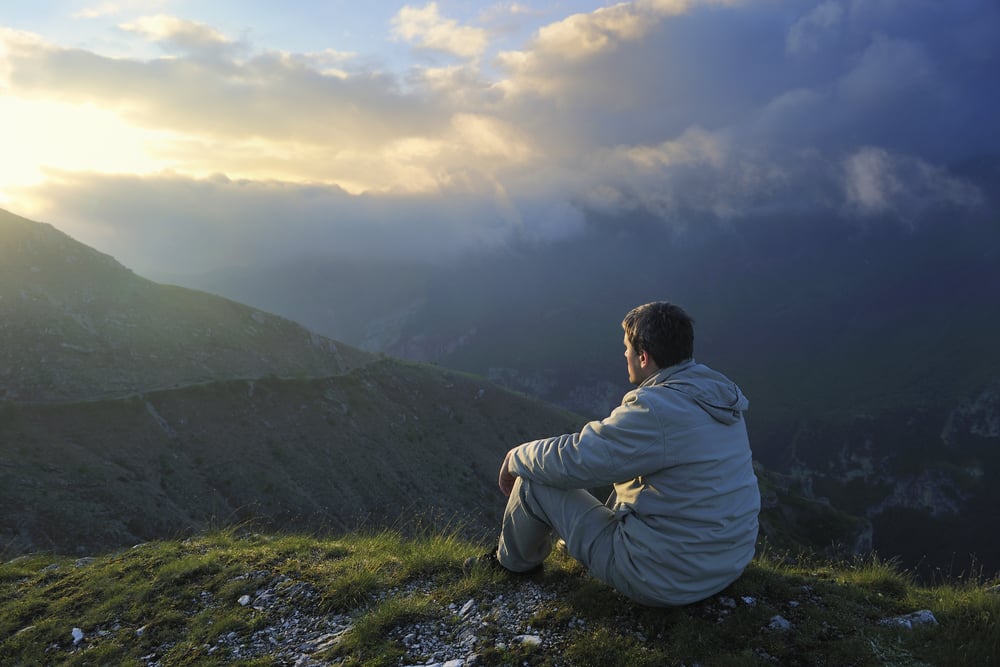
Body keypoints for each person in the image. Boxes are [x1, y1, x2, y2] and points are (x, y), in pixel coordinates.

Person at [469, 301, 760, 606]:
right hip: (726, 563)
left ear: (644, 357)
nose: (624, 355)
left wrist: (516, 457)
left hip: (663, 578)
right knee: (630, 477)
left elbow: (576, 459)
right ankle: (575, 546)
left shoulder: (655, 409)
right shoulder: (717, 396)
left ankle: (510, 566)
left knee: (534, 481)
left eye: (627, 349)